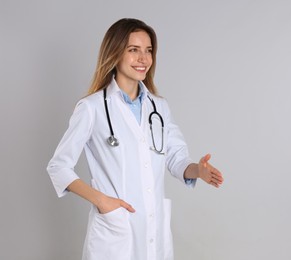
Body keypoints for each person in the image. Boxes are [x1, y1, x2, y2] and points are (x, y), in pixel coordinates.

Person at [47, 18, 223, 260]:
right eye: (133, 50)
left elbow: (176, 159)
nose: (143, 59)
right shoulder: (92, 108)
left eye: (148, 51)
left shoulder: (159, 108)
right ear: (115, 53)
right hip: (114, 231)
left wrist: (198, 171)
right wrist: (101, 201)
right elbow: (58, 167)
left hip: (154, 232)